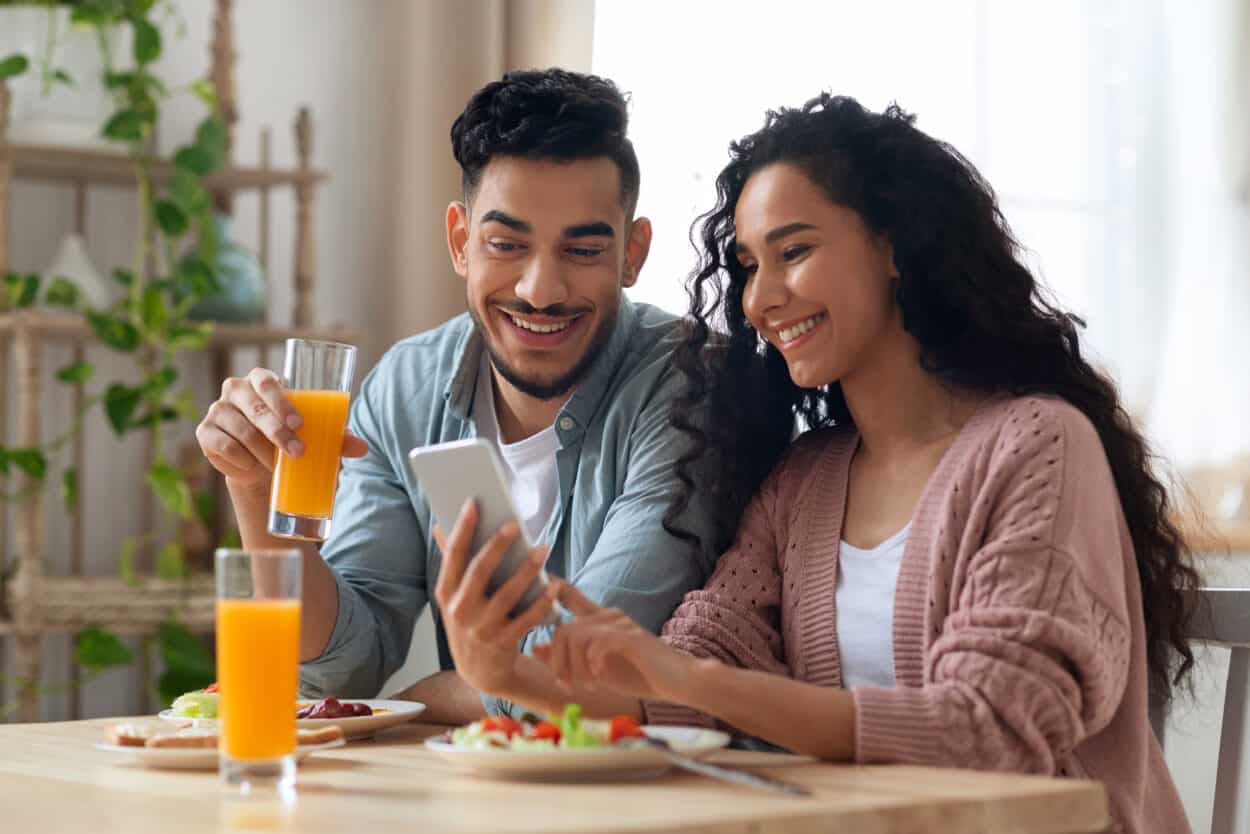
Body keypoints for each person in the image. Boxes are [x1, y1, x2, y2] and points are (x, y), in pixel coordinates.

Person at [520, 95, 1195, 834]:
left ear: (894, 249)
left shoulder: (1039, 446)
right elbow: (679, 686)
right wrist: (509, 673)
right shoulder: (806, 480)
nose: (760, 299)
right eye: (748, 265)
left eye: (794, 251)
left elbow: (987, 733)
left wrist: (696, 680)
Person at [194, 68, 715, 723]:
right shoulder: (407, 388)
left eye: (581, 249)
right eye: (507, 244)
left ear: (633, 253)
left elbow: (586, 671)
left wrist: (427, 698)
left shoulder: (690, 383)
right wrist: (252, 486)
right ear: (461, 241)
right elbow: (345, 663)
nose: (540, 289)